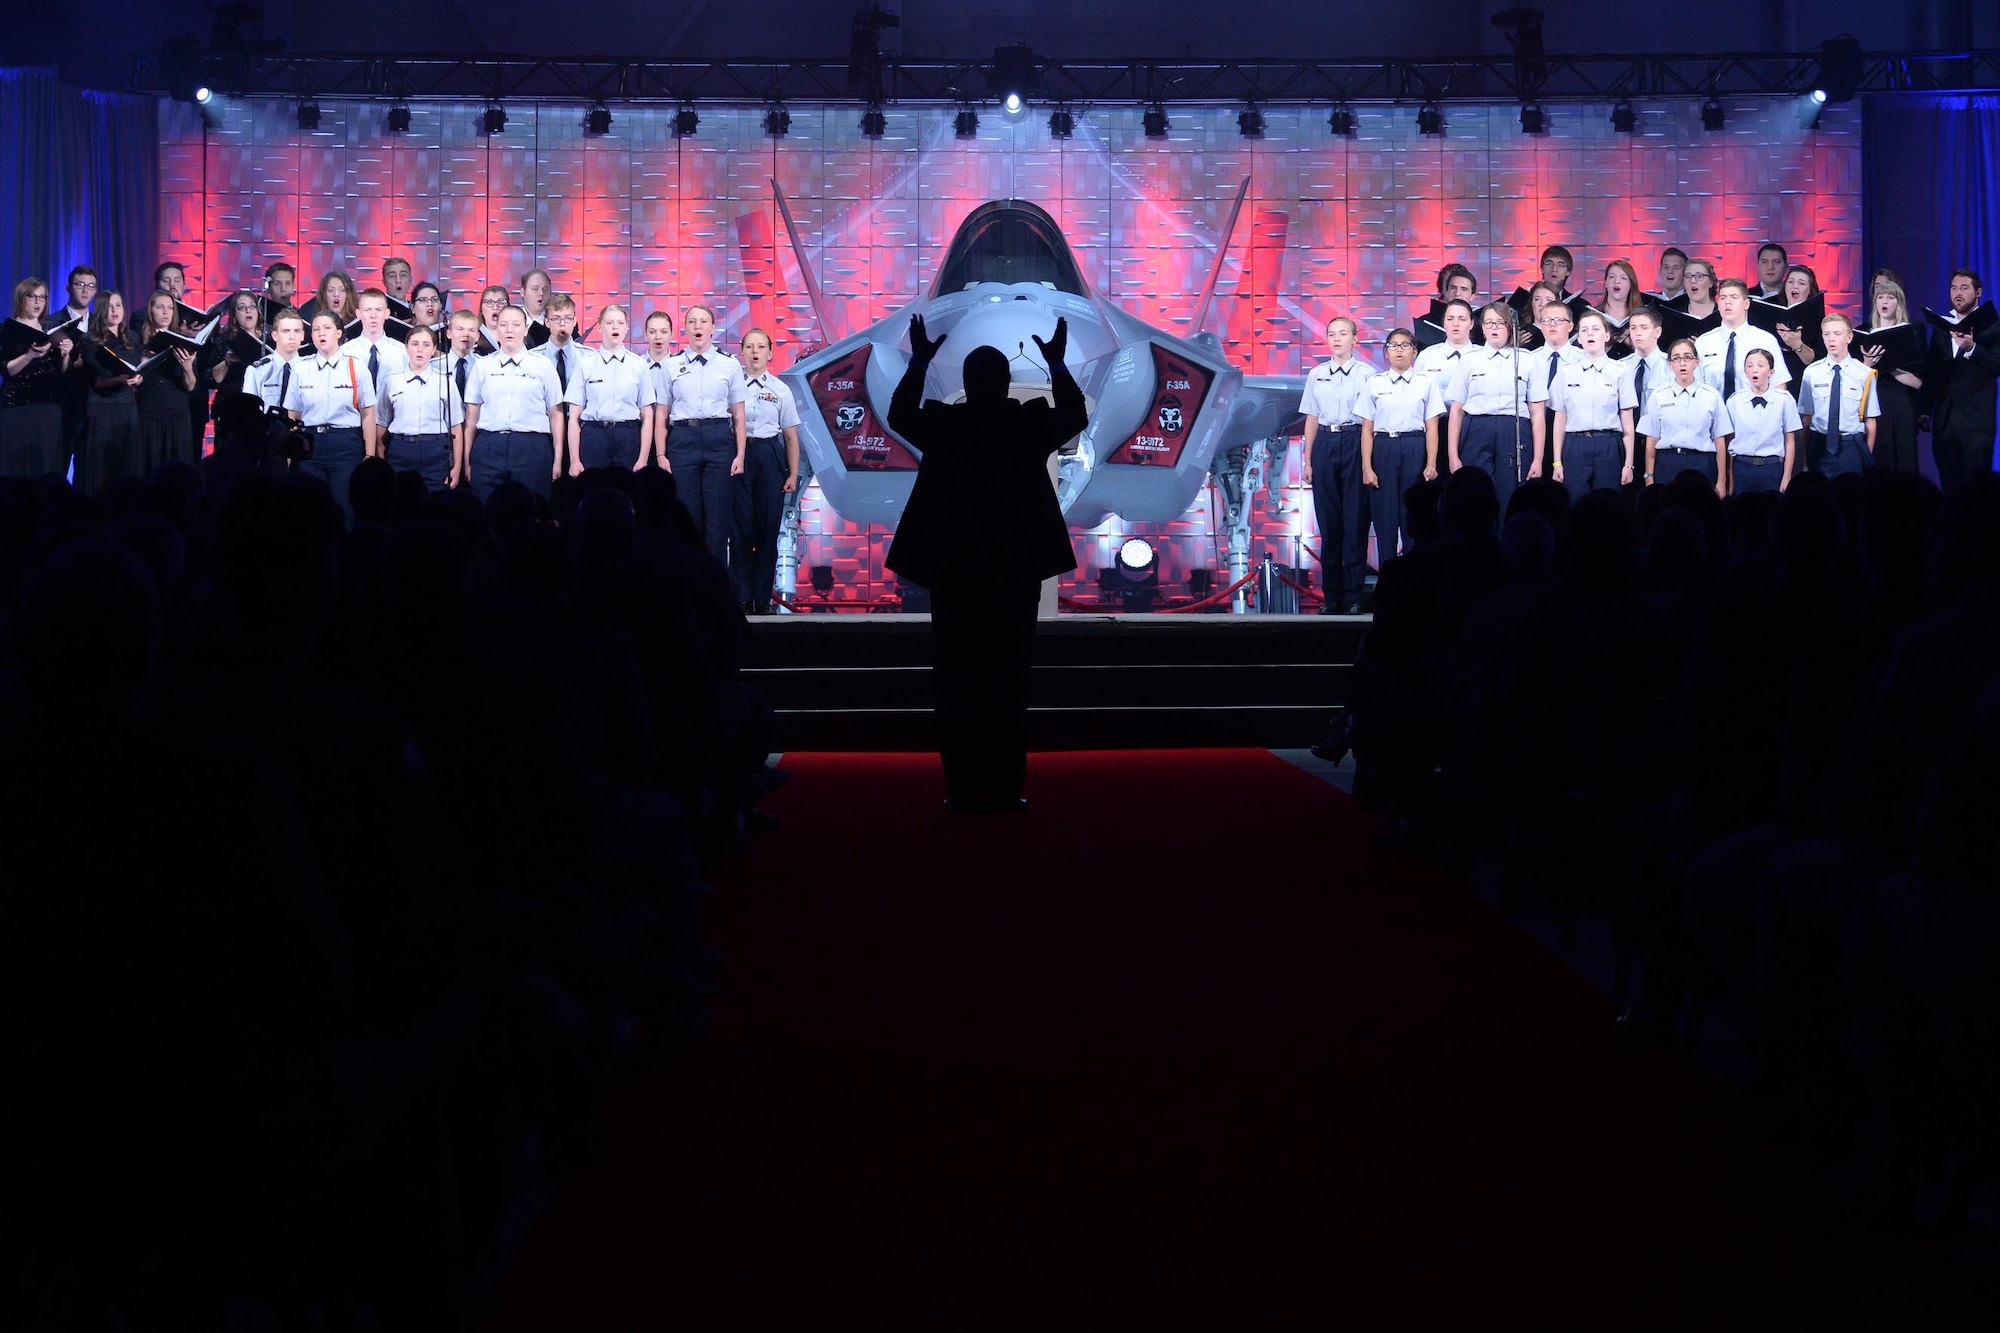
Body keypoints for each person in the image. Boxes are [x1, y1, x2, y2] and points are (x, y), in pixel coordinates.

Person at [885, 313, 1085, 812]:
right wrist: (1057, 364)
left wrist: (920, 361)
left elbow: (899, 413)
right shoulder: (1027, 422)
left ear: (968, 385)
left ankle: (960, 788)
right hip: (1014, 567)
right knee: (1009, 679)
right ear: (1005, 383)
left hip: (955, 568)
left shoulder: (947, 423)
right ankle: (1005, 788)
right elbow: (1075, 415)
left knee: (955, 679)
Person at [1300, 315, 1378, 614]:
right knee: (1329, 525)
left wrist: (1368, 462)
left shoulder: (1367, 375)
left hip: (1355, 441)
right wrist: (1308, 461)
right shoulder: (1317, 374)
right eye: (1332, 333)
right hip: (1326, 445)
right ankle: (1331, 596)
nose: (1336, 339)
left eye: (1343, 333)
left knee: (1355, 523)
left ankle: (1354, 595)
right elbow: (1311, 418)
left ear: (1354, 339)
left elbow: (1370, 421)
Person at [658, 305, 747, 557]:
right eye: (692, 322)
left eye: (703, 322)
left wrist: (740, 454)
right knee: (686, 516)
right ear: (685, 329)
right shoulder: (670, 365)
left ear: (712, 328)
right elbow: (662, 413)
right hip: (683, 439)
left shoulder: (729, 365)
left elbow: (739, 414)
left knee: (718, 520)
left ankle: (715, 587)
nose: (698, 327)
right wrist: (661, 454)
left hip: (719, 438)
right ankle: (688, 586)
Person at [278, 310, 377, 520]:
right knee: (311, 511)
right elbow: (293, 414)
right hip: (309, 445)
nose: (320, 333)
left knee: (345, 510)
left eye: (326, 328)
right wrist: (289, 453)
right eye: (315, 330)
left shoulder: (356, 367)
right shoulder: (301, 369)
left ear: (339, 333)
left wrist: (369, 454)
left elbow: (368, 413)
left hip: (345, 445)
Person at [1357, 328, 1446, 563]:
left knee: (1413, 518)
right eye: (1393, 346)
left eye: (1405, 345)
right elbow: (1367, 429)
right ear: (1386, 353)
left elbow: (1432, 427)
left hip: (1414, 446)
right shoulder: (1374, 383)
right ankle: (1387, 581)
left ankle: (1414, 579)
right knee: (1385, 519)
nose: (1399, 350)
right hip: (1384, 447)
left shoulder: (1426, 383)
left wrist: (1431, 463)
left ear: (1414, 352)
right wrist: (1367, 467)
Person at [731, 328, 802, 614]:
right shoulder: (732, 387)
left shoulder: (780, 389)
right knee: (740, 530)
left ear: (770, 353)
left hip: (769, 456)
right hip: (740, 455)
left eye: (761, 347)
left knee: (767, 528)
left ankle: (762, 598)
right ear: (742, 353)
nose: (755, 352)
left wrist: (793, 474)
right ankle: (741, 597)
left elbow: (790, 436)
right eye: (749, 347)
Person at [465, 305, 564, 502]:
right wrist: (467, 460)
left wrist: (558, 459)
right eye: (504, 325)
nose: (509, 330)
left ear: (526, 329)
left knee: (532, 510)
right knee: (486, 510)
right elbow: (471, 418)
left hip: (532, 447)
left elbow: (556, 414)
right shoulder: (482, 366)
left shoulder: (543, 365)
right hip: (489, 447)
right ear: (496, 329)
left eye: (516, 324)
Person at [1445, 301, 1532, 518]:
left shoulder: (1526, 359)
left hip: (1512, 427)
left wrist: (1538, 458)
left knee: (1509, 493)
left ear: (1510, 327)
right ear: (1481, 327)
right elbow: (1457, 410)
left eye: (1500, 323)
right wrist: (1453, 455)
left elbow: (1537, 412)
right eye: (1489, 323)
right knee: (1476, 494)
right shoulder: (1469, 360)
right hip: (1477, 429)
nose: (1494, 328)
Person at [1921, 268, 1999, 496]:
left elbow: (1997, 365)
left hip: (1976, 423)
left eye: (1964, 288)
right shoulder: (1942, 328)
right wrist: (1925, 409)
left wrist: (1972, 348)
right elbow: (1933, 372)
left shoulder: (1993, 326)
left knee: (1977, 493)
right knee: (1950, 488)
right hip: (1945, 423)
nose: (1958, 293)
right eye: (1954, 288)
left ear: (1978, 292)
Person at [1548, 310, 1637, 497]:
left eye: (1595, 329)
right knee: (1575, 505)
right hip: (1575, 445)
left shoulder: (1620, 371)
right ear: (1578, 338)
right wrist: (1557, 461)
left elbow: (1627, 422)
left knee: (1608, 504)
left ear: (1606, 336)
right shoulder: (1566, 372)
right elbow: (1559, 420)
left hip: (1609, 445)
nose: (1589, 334)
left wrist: (1628, 463)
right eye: (1584, 330)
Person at [1, 277, 79, 479]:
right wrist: (29, 356)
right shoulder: (7, 329)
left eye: (42, 298)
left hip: (48, 407)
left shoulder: (51, 329)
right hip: (16, 406)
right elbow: (6, 370)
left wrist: (65, 356)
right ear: (21, 299)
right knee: (15, 467)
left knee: (45, 465)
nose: (37, 303)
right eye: (32, 297)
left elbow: (62, 373)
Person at [1639, 337, 1730, 492]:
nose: (1682, 363)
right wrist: (1649, 477)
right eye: (1676, 358)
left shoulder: (1711, 396)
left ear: (1697, 362)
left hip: (1702, 463)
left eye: (1688, 357)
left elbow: (1719, 440)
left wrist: (1721, 480)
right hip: (1668, 462)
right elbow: (1651, 439)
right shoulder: (1658, 396)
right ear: (1669, 364)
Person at [376, 324, 459, 490]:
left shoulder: (445, 380)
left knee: (435, 505)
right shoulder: (392, 380)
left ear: (434, 349)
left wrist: (456, 466)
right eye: (415, 344)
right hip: (401, 449)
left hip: (435, 451)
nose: (420, 350)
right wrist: (380, 458)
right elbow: (381, 424)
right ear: (406, 347)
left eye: (426, 345)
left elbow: (456, 425)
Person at [1796, 312, 1878, 479]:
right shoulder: (1812, 372)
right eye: (1826, 334)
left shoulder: (1864, 374)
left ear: (1849, 337)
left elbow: (1870, 420)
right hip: (1819, 445)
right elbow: (1806, 419)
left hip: (1851, 446)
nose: (1831, 339)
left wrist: (1866, 458)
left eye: (1837, 334)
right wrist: (1804, 460)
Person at [1858, 278, 1926, 475]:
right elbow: (1856, 377)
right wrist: (1868, 366)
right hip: (1873, 402)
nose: (1884, 302)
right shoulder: (1864, 332)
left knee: (1903, 463)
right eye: (1880, 297)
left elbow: (1918, 382)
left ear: (1899, 303)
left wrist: (1889, 366)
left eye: (1890, 297)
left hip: (1901, 404)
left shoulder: (1910, 334)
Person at [573, 303, 651, 473]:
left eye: (620, 323)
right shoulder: (585, 363)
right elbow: (574, 417)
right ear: (600, 327)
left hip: (628, 436)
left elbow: (648, 414)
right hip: (594, 436)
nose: (615, 327)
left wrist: (643, 458)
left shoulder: (639, 365)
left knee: (629, 494)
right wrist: (574, 460)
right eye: (609, 323)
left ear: (627, 328)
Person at [83, 289, 145, 495]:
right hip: (103, 407)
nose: (115, 310)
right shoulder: (90, 340)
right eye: (109, 306)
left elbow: (138, 370)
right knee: (103, 466)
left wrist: (139, 378)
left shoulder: (133, 338)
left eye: (118, 305)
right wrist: (118, 379)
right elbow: (95, 381)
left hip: (128, 407)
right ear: (101, 310)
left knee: (127, 464)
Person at [135, 289, 198, 476]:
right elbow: (135, 379)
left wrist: (187, 367)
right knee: (150, 471)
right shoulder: (138, 341)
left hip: (177, 415)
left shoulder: (184, 342)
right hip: (148, 415)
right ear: (150, 310)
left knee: (178, 474)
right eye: (160, 307)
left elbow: (191, 386)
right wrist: (144, 360)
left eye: (170, 308)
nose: (165, 312)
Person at [1697, 279, 1789, 401]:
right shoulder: (1703, 342)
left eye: (1734, 297)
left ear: (1746, 304)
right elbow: (1695, 386)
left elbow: (1779, 385)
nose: (1727, 302)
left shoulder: (1765, 340)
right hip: (1713, 415)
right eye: (1723, 298)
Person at [1723, 348, 1799, 493]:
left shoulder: (1784, 400)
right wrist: (1731, 478)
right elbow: (1730, 440)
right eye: (1749, 366)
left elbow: (1789, 441)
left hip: (1771, 467)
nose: (1754, 370)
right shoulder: (1734, 401)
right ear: (1745, 371)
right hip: (1742, 466)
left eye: (1760, 365)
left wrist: (1786, 476)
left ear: (1771, 372)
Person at [532, 293, 587, 479]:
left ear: (575, 321)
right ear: (547, 322)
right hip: (545, 435)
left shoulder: (589, 358)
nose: (562, 324)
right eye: (556, 319)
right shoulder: (533, 359)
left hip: (581, 434)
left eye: (567, 318)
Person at [341, 288, 411, 397]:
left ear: (387, 313)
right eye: (367, 310)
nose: (373, 315)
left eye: (378, 310)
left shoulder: (401, 352)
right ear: (358, 314)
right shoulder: (345, 352)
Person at [203, 292, 265, 403]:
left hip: (262, 401)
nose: (248, 310)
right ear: (234, 314)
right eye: (242, 307)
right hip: (231, 403)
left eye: (252, 306)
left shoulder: (269, 339)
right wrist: (226, 363)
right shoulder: (224, 340)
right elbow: (209, 381)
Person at [246, 306, 307, 415]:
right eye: (286, 331)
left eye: (296, 331)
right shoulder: (257, 371)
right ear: (275, 336)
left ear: (302, 336)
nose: (292, 336)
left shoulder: (310, 370)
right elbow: (249, 414)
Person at [1771, 263, 1824, 382]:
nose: (1795, 286)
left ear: (1810, 290)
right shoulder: (1771, 314)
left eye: (1801, 283)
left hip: (1804, 380)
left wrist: (1796, 345)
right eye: (1790, 282)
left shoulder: (1819, 321)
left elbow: (1819, 361)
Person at [1414, 298, 1476, 380]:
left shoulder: (1484, 357)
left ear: (1471, 324)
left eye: (1462, 319)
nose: (1455, 324)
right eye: (1450, 319)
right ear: (1444, 323)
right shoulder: (1427, 356)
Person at [1593, 259, 1642, 357]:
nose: (1617, 281)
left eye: (1623, 278)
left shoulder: (1641, 316)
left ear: (1631, 285)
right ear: (1606, 283)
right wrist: (1609, 342)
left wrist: (1631, 344)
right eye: (1612, 277)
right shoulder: (1594, 316)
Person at [520, 269, 553, 349]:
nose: (541, 293)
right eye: (535, 289)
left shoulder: (558, 322)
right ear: (522, 292)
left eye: (545, 289)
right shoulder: (511, 320)